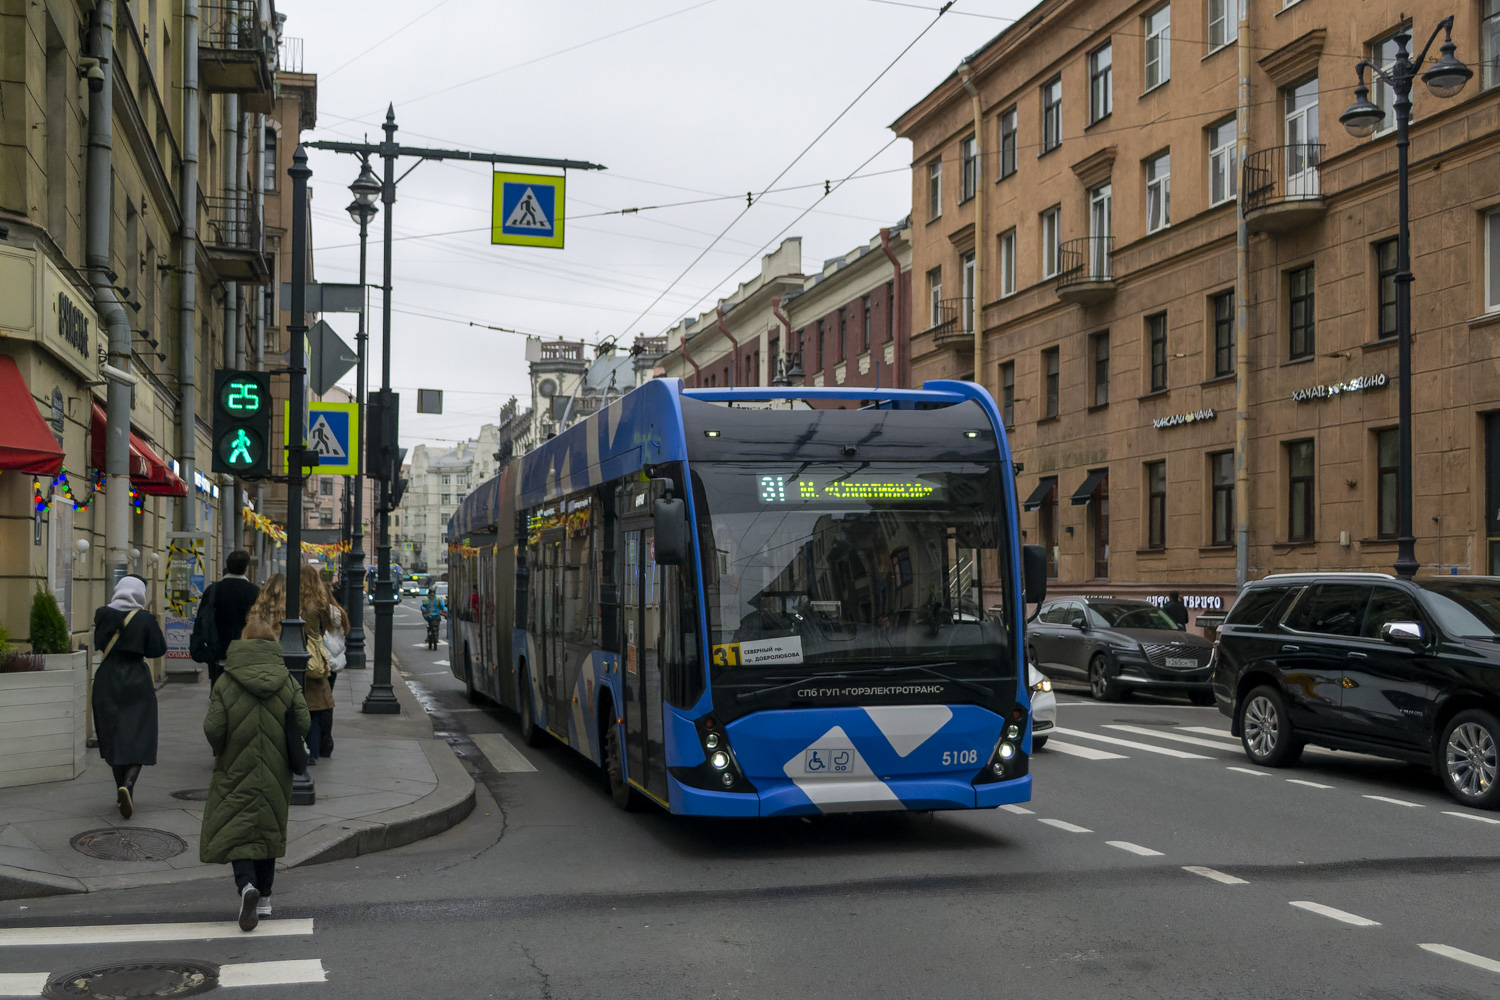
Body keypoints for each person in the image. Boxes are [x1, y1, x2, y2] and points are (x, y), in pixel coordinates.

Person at [199, 605, 310, 932]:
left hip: (235, 765)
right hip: (276, 769)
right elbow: (303, 720)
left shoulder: (226, 682)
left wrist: (222, 750)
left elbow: (213, 728)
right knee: (267, 828)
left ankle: (247, 886)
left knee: (238, 827)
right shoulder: (287, 681)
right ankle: (265, 900)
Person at [93, 575, 167, 820]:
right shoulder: (145, 618)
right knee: (140, 734)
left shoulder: (102, 613)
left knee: (113, 734)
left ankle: (119, 791)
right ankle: (129, 786)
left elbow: (99, 643)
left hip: (107, 679)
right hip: (136, 679)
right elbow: (158, 649)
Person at [202, 550, 261, 687]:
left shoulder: (213, 590)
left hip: (218, 654)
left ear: (227, 566)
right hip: (246, 655)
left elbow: (202, 620)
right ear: (246, 568)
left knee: (219, 698)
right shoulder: (255, 591)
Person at [297, 565, 335, 766]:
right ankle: (313, 752)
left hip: (299, 654)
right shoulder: (320, 602)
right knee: (316, 709)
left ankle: (302, 749)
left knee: (302, 706)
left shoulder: (298, 604)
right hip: (316, 656)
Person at [318, 582, 350, 759]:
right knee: (328, 701)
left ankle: (318, 742)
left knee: (316, 702)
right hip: (335, 662)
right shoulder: (338, 612)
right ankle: (327, 742)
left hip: (320, 661)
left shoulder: (318, 613)